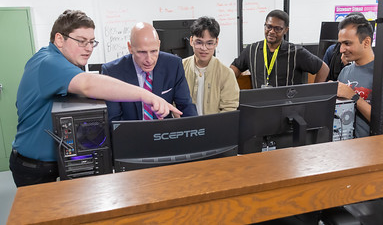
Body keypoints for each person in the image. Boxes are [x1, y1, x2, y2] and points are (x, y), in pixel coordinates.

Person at [9, 10, 181, 187]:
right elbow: (88, 84)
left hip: (64, 163)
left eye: (92, 42)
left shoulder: (70, 63)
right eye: (82, 41)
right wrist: (146, 95)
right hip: (35, 169)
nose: (89, 48)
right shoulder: (48, 62)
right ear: (60, 39)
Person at [102, 22, 197, 121]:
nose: (149, 59)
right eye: (142, 52)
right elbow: (114, 122)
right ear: (130, 48)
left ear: (159, 45)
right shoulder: (112, 72)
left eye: (154, 51)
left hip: (164, 133)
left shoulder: (173, 65)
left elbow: (186, 107)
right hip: (129, 133)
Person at [336, 14, 383, 137]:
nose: (341, 50)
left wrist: (353, 96)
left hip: (377, 149)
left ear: (366, 42)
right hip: (349, 146)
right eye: (341, 44)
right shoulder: (345, 72)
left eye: (347, 43)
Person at [230, 9, 329, 88]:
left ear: (286, 30)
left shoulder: (296, 53)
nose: (272, 31)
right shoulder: (251, 50)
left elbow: (323, 68)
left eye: (277, 29)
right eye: (269, 27)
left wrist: (314, 93)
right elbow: (234, 69)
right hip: (261, 107)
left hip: (288, 108)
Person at [182, 16, 239, 115]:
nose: (204, 48)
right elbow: (173, 103)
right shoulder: (180, 68)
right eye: (199, 42)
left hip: (215, 127)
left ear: (216, 42)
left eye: (209, 43)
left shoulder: (226, 73)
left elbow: (229, 109)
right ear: (191, 41)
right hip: (186, 127)